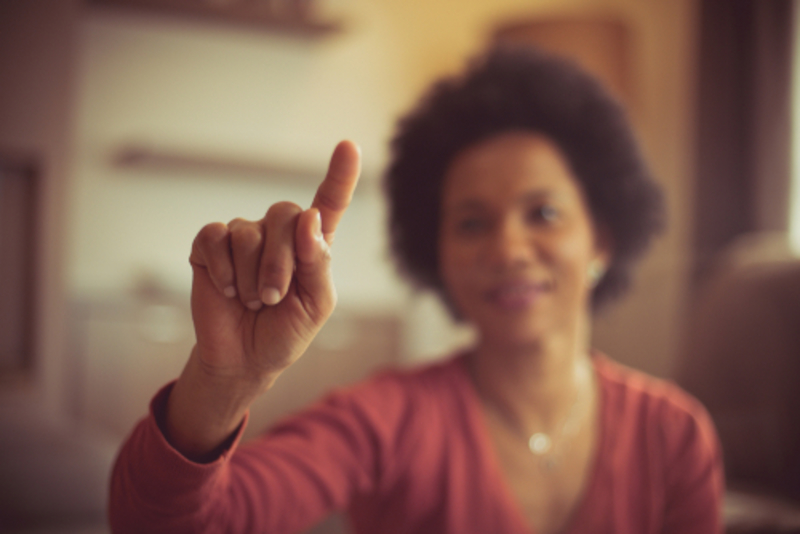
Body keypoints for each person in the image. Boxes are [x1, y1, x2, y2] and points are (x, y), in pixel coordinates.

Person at [109, 47, 724, 534]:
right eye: (472, 222)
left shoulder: (674, 436)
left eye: (543, 213)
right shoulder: (383, 421)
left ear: (603, 241)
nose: (507, 250)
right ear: (438, 256)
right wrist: (223, 381)